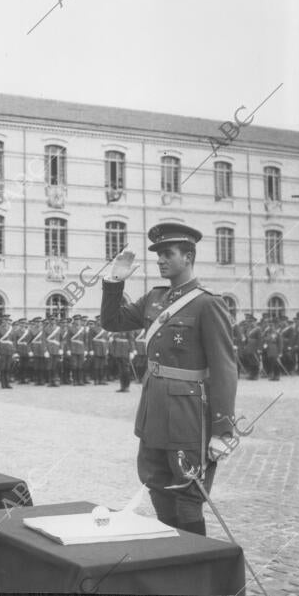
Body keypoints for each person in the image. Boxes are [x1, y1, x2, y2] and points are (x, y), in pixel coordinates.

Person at [100, 223, 237, 536]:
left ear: (187, 257)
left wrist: (223, 429)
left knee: (188, 494)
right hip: (154, 409)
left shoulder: (207, 303)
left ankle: (196, 566)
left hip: (188, 415)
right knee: (157, 485)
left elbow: (225, 368)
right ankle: (172, 559)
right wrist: (114, 282)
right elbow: (112, 321)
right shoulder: (154, 298)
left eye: (167, 253)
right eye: (158, 254)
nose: (160, 260)